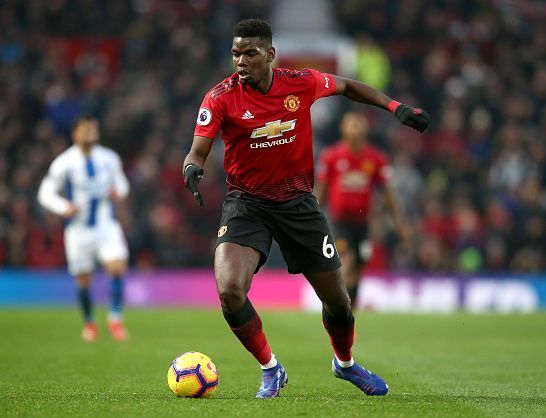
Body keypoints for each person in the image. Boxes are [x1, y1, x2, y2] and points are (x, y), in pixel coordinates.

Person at [183, 19, 429, 398]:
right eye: (236, 54)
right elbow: (199, 147)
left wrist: (394, 107)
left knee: (339, 302)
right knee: (230, 290)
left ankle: (344, 364)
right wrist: (192, 165)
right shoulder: (220, 96)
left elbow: (347, 86)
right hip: (246, 204)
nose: (241, 61)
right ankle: (271, 368)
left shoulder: (300, 82)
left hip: (298, 204)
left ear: (270, 54)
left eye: (250, 53)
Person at [38, 116, 130, 342]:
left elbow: (122, 183)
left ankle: (115, 318)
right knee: (83, 280)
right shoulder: (64, 162)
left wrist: (119, 192)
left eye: (93, 129)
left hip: (106, 225)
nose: (90, 133)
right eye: (86, 130)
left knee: (117, 266)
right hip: (78, 231)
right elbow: (45, 193)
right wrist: (63, 206)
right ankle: (89, 322)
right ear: (75, 134)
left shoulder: (109, 158)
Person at [315, 111, 412, 307]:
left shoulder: (375, 159)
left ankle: (350, 311)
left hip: (363, 224)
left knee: (359, 265)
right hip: (340, 222)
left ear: (366, 129)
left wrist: (400, 223)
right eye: (350, 124)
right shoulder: (331, 157)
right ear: (343, 129)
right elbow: (321, 193)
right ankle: (337, 307)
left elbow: (388, 194)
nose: (355, 128)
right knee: (347, 260)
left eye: (358, 123)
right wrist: (311, 222)